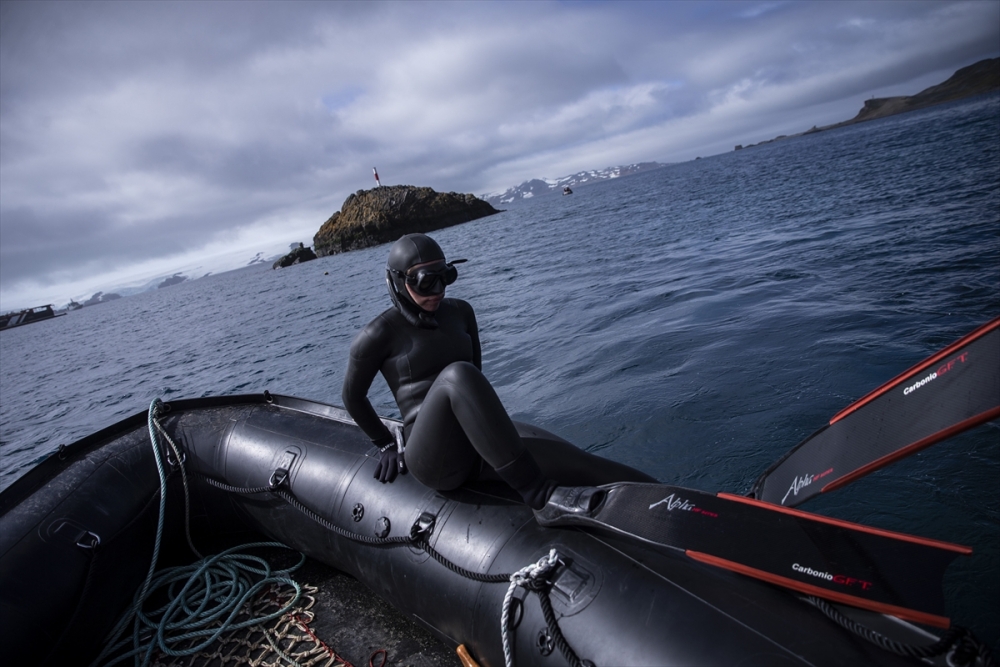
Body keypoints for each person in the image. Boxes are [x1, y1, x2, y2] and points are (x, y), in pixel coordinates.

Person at [342, 233, 654, 510]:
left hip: (475, 441)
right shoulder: (378, 334)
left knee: (582, 463)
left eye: (446, 276)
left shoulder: (461, 312)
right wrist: (383, 443)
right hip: (434, 458)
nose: (438, 290)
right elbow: (353, 397)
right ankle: (539, 495)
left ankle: (679, 502)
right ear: (400, 282)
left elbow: (476, 380)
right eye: (427, 282)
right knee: (457, 375)